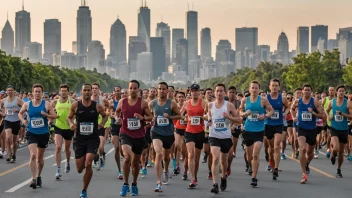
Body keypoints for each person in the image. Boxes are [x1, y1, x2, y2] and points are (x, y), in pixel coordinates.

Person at [66, 83, 108, 198]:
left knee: (88, 162)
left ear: (92, 92)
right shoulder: (75, 105)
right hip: (79, 139)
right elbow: (68, 117)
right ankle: (85, 164)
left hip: (92, 139)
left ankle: (84, 190)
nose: (87, 92)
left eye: (89, 90)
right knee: (80, 169)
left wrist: (102, 124)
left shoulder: (97, 106)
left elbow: (105, 116)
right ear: (81, 91)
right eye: (85, 90)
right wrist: (71, 124)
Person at [116, 80, 153, 196]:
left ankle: (134, 184)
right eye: (130, 88)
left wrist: (142, 118)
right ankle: (126, 184)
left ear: (138, 90)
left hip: (139, 136)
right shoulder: (122, 101)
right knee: (127, 158)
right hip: (125, 133)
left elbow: (150, 117)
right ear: (128, 89)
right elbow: (117, 112)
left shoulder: (143, 103)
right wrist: (118, 118)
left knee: (136, 162)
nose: (132, 90)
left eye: (135, 88)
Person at [18, 84, 57, 189]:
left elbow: (54, 116)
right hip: (31, 132)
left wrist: (47, 118)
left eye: (39, 91)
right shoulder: (27, 104)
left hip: (43, 133)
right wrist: (23, 121)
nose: (37, 93)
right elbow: (20, 113)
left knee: (40, 158)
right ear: (32, 92)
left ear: (42, 93)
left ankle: (39, 175)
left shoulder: (47, 104)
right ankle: (33, 178)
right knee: (33, 155)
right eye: (35, 91)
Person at [239, 80, 274, 187]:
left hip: (259, 131)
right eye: (252, 88)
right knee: (249, 156)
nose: (254, 90)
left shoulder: (263, 100)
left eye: (256, 88)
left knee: (255, 154)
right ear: (249, 89)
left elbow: (271, 111)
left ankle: (254, 177)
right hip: (248, 130)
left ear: (259, 89)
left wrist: (265, 116)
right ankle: (250, 166)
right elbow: (239, 111)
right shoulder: (245, 100)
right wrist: (244, 113)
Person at [207, 84, 240, 194]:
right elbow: (208, 115)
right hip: (213, 135)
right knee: (215, 158)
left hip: (225, 136)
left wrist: (229, 117)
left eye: (221, 91)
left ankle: (224, 177)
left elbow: (239, 120)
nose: (219, 93)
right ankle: (215, 184)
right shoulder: (210, 105)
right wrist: (209, 120)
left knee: (223, 161)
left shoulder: (229, 105)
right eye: (217, 91)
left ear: (224, 93)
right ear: (214, 93)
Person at [149, 82, 181, 192]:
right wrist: (151, 119)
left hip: (168, 133)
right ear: (157, 90)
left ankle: (166, 170)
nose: (161, 91)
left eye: (163, 89)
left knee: (166, 157)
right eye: (159, 89)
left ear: (167, 91)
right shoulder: (152, 103)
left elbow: (180, 115)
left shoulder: (171, 104)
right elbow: (149, 116)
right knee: (159, 154)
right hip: (156, 132)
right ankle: (159, 183)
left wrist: (170, 117)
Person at [291, 84, 324, 184]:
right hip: (301, 127)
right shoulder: (298, 101)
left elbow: (321, 115)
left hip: (312, 129)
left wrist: (313, 113)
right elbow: (292, 108)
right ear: (302, 91)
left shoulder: (315, 102)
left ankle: (306, 164)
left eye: (309, 90)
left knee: (310, 154)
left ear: (311, 92)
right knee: (302, 149)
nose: (306, 92)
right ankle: (304, 174)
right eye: (305, 90)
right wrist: (293, 117)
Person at [264, 79, 290, 180]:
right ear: (269, 87)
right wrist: (266, 113)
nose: (274, 87)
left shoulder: (282, 98)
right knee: (271, 148)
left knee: (276, 146)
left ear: (279, 87)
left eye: (276, 86)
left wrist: (285, 113)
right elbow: (261, 108)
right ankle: (271, 161)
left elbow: (288, 107)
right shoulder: (265, 98)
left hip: (278, 124)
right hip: (268, 124)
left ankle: (276, 168)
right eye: (273, 85)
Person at [182, 83, 207, 188]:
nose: (195, 92)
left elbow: (209, 115)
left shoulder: (204, 103)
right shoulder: (186, 104)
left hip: (200, 132)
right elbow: (180, 115)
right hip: (189, 131)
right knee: (190, 154)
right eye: (193, 91)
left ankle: (195, 176)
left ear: (199, 92)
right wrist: (185, 118)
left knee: (196, 157)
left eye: (196, 90)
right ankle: (192, 179)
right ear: (190, 92)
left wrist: (203, 117)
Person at [325, 85, 352, 178]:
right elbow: (327, 111)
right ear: (336, 92)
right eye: (340, 91)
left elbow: (351, 116)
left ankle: (338, 169)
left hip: (344, 129)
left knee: (341, 152)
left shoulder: (348, 103)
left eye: (343, 91)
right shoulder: (332, 102)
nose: (341, 92)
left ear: (344, 93)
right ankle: (333, 154)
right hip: (334, 128)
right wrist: (328, 116)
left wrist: (343, 114)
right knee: (335, 147)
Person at [51, 84, 76, 180]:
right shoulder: (55, 102)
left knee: (67, 148)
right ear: (59, 91)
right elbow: (50, 111)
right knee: (58, 147)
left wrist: (73, 122)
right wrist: (50, 117)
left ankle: (68, 162)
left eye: (65, 90)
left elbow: (76, 114)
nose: (64, 92)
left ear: (68, 92)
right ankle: (58, 169)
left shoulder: (72, 102)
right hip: (58, 126)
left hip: (69, 127)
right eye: (62, 90)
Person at [0, 85, 24, 162]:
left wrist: (17, 111)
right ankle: (9, 154)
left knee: (14, 141)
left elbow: (25, 108)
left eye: (11, 90)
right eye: (8, 90)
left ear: (14, 91)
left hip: (16, 121)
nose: (9, 91)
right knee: (7, 137)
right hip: (7, 120)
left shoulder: (18, 100)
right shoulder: (3, 100)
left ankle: (14, 154)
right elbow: (0, 109)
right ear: (6, 91)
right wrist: (3, 114)